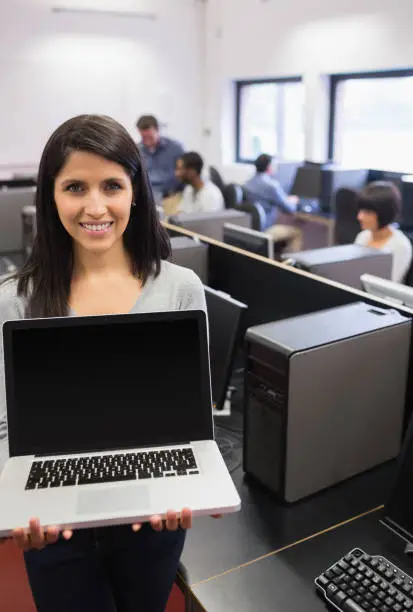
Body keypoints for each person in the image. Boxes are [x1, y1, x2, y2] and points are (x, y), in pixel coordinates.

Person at [0, 114, 219, 612]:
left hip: (154, 517)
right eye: (75, 186)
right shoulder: (14, 300)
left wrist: (189, 483)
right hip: (52, 526)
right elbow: (3, 428)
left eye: (112, 186)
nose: (95, 206)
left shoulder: (180, 289)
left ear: (136, 191)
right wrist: (20, 508)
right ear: (50, 195)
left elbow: (192, 419)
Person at [355, 181, 412, 283]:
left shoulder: (400, 245)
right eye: (360, 210)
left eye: (367, 212)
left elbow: (389, 285)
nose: (359, 217)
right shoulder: (362, 236)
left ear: (384, 213)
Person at [243, 154, 302, 252]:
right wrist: (293, 201)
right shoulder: (272, 186)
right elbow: (290, 209)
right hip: (265, 230)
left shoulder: (247, 183)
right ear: (269, 167)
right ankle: (290, 264)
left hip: (251, 229)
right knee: (296, 233)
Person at [137, 115, 184, 197]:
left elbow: (184, 172)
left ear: (157, 130)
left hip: (172, 196)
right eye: (143, 137)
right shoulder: (137, 150)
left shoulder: (175, 148)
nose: (146, 141)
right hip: (147, 197)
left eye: (149, 137)